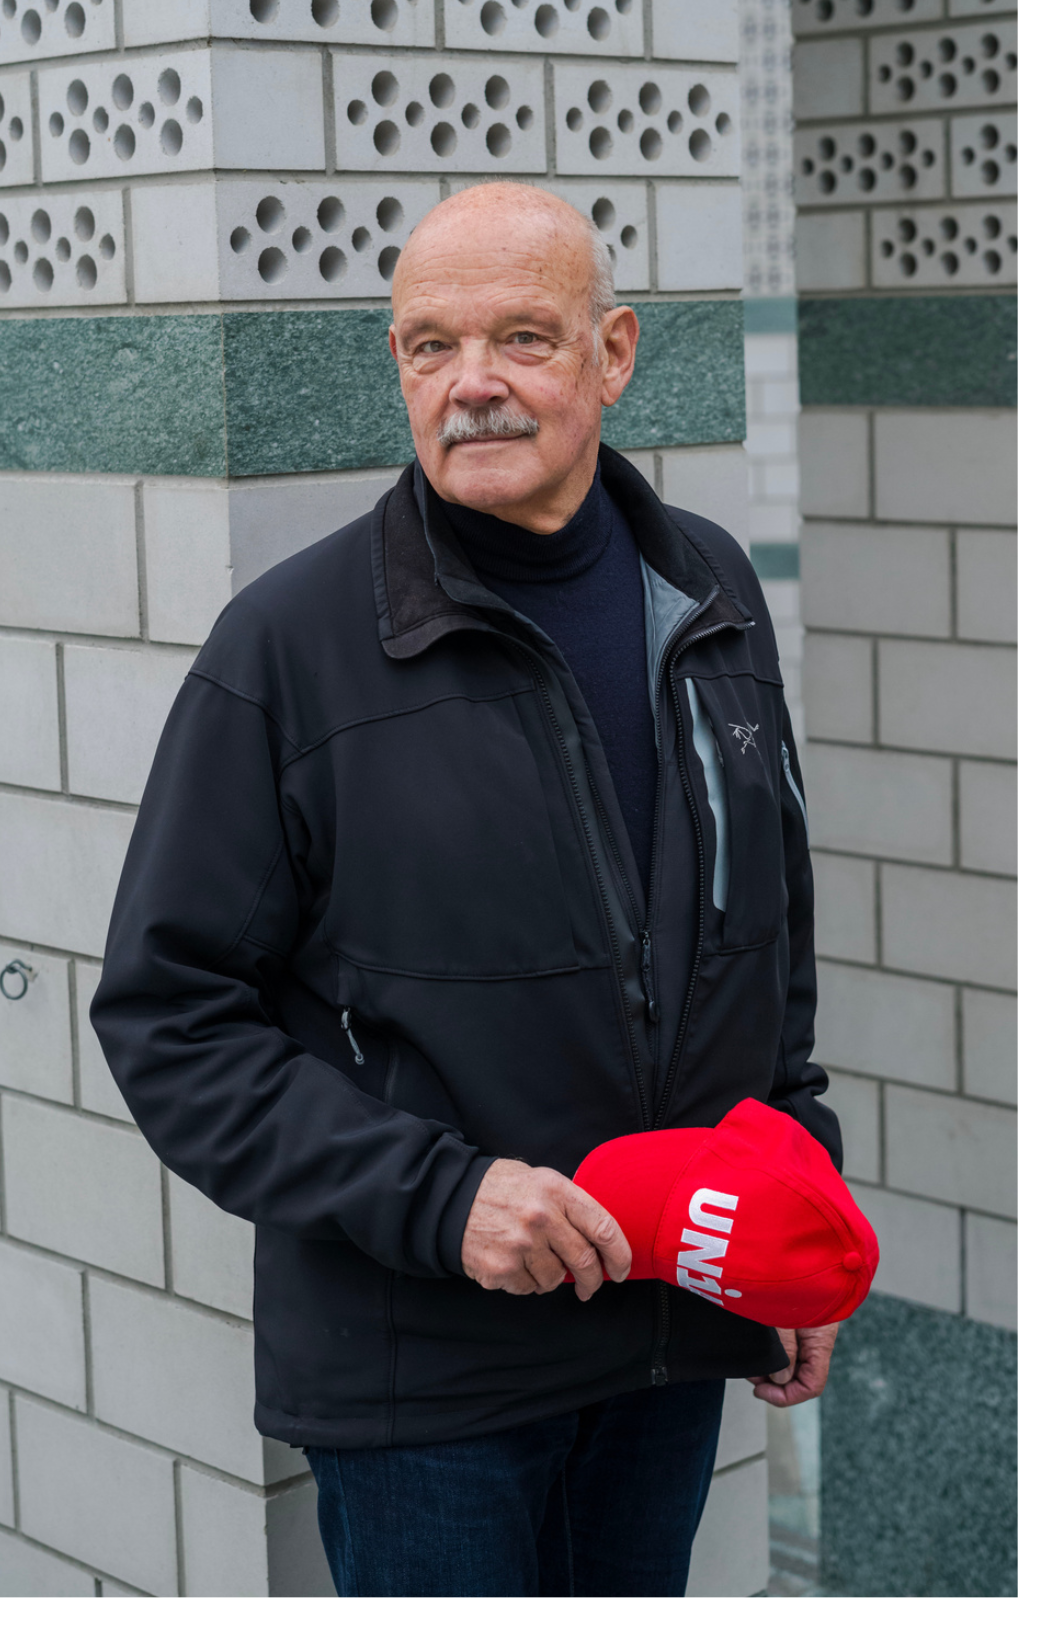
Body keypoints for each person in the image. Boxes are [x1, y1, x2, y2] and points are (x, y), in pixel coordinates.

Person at [91, 183, 842, 1598]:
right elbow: (168, 1019)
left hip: (669, 1331)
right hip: (426, 1383)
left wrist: (789, 1192)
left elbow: (766, 933)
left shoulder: (708, 589)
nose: (473, 383)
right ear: (397, 367)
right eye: (431, 346)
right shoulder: (289, 646)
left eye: (521, 338)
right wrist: (442, 1200)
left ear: (613, 354)